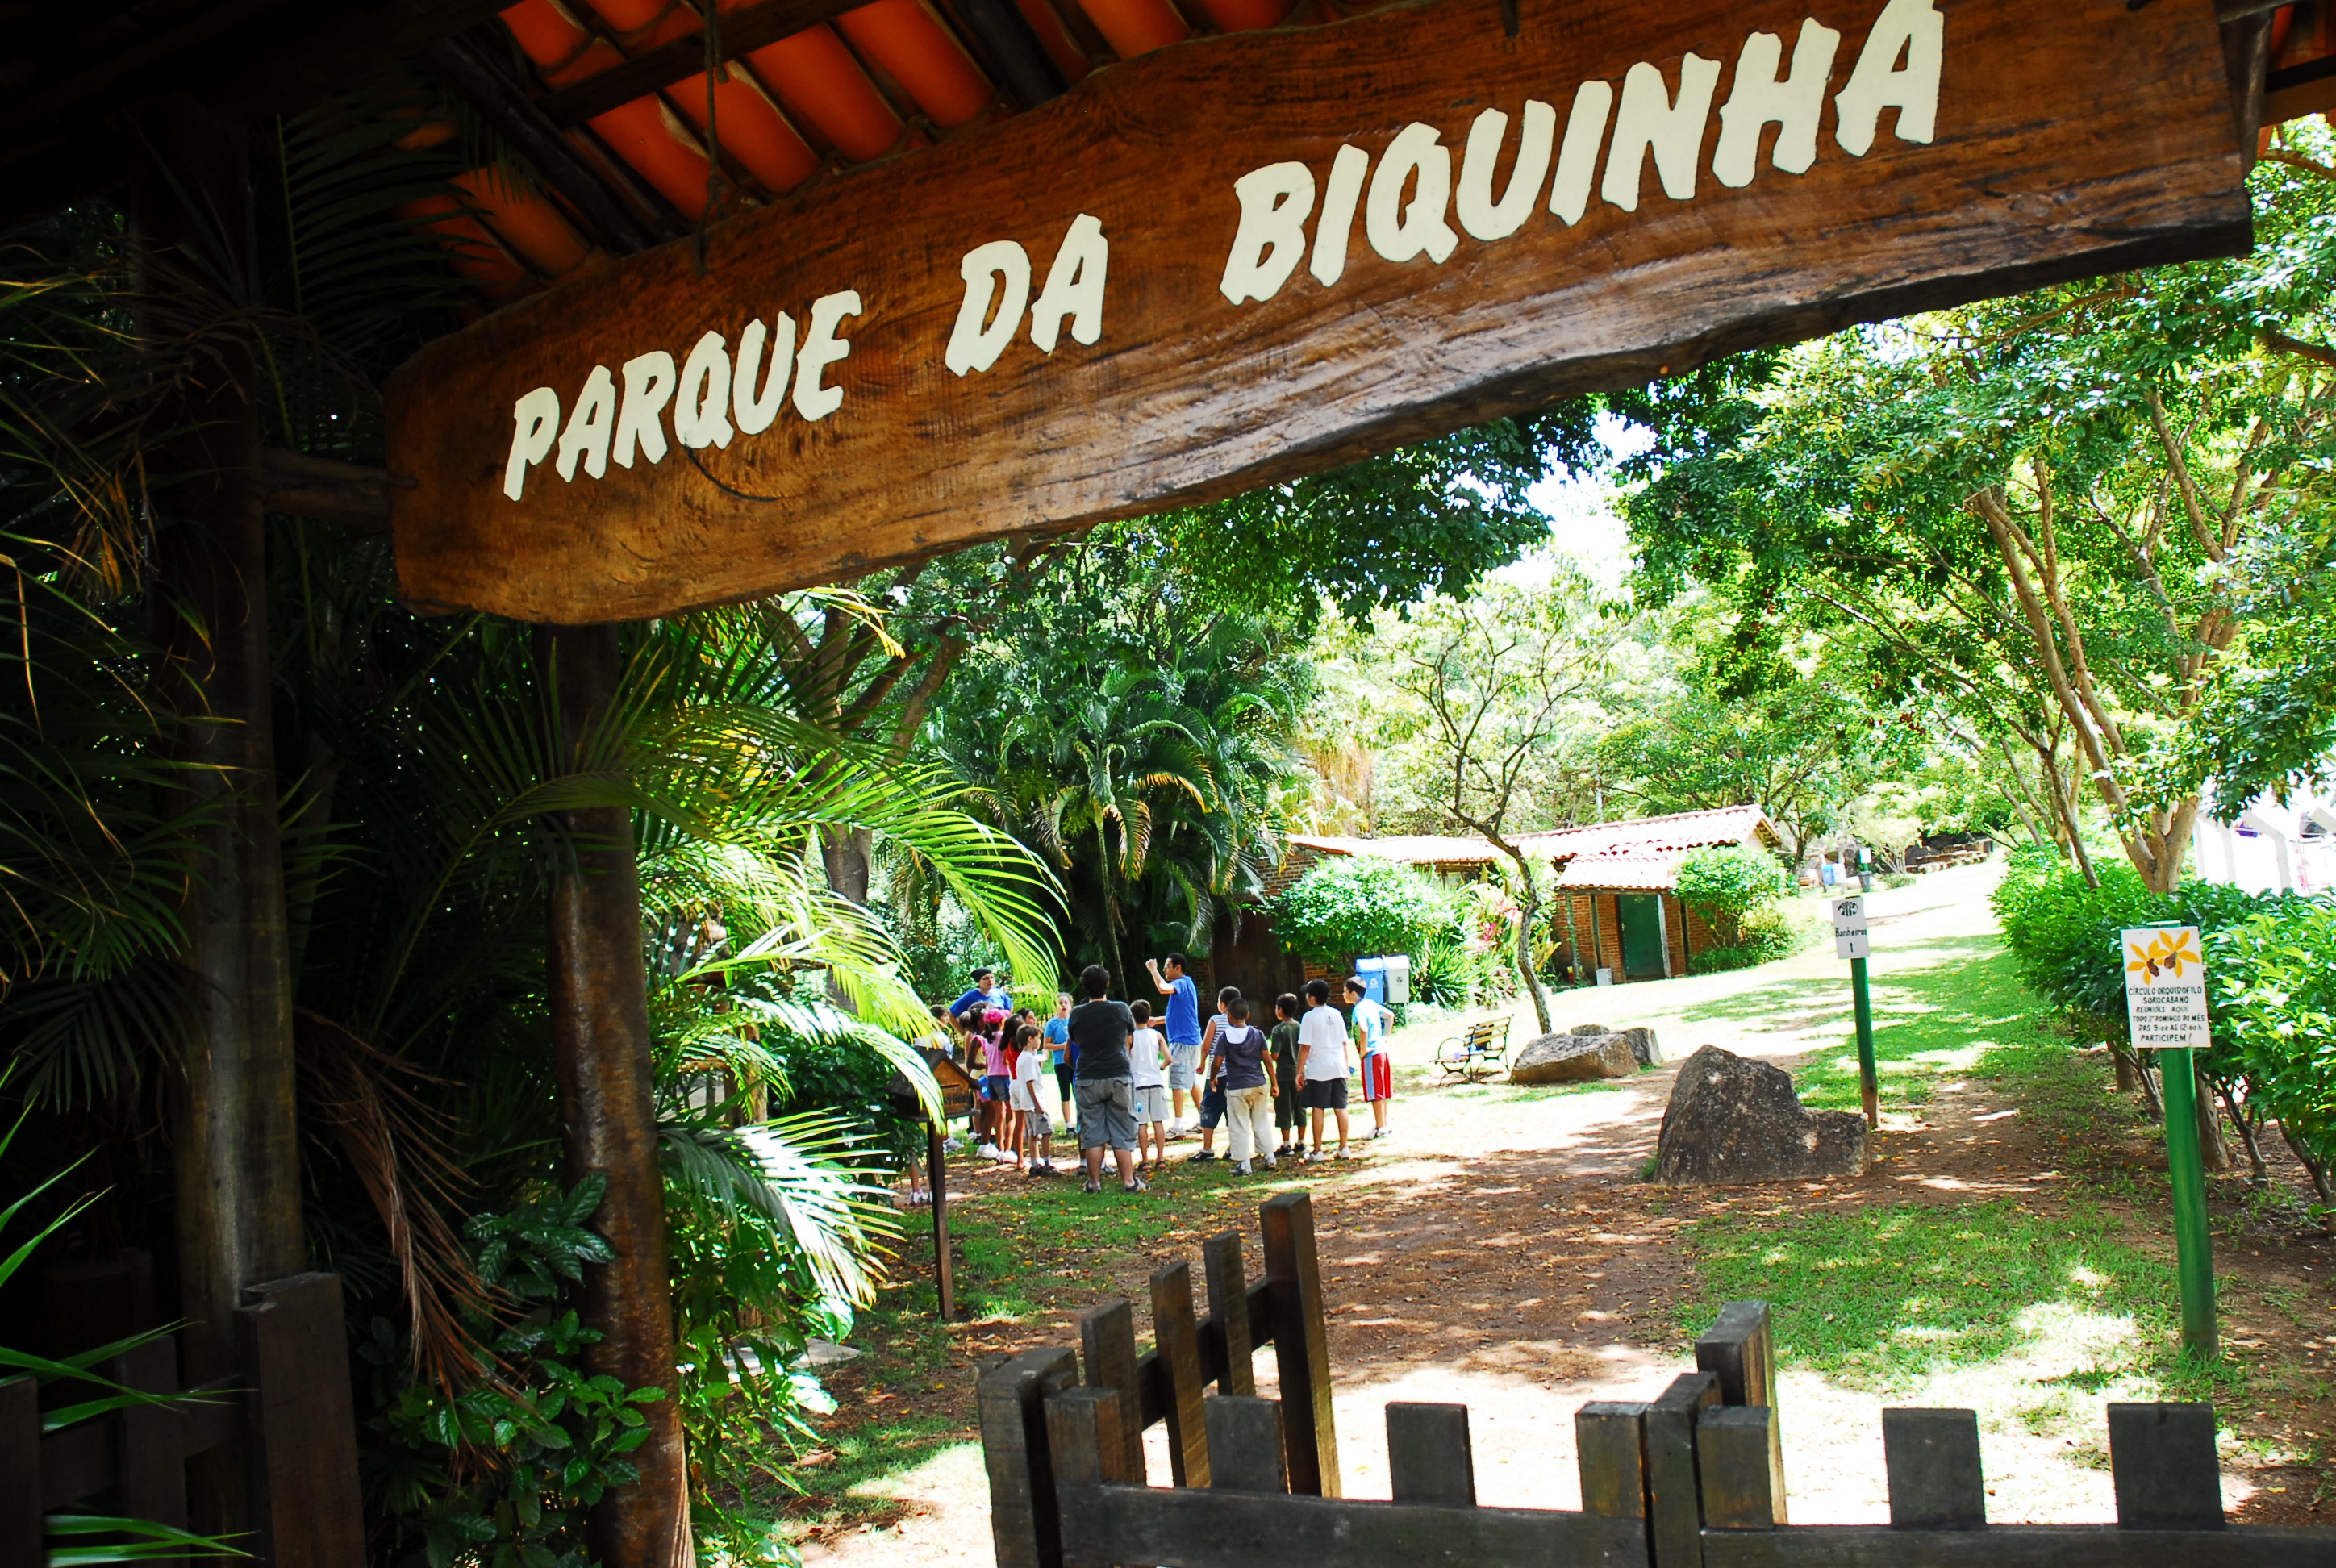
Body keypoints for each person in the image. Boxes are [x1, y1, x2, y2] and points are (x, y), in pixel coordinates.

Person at [1069, 963, 1145, 1193]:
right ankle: (1129, 1181)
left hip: (1088, 1076)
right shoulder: (1121, 1009)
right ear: (1107, 985)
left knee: (1092, 1132)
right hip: (1118, 1074)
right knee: (1122, 1128)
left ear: (1084, 987)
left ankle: (1093, 1183)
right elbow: (1130, 1036)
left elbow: (1075, 1040)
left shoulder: (1077, 1014)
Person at [1215, 998, 1277, 1174]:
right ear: (1248, 1015)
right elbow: (1267, 1061)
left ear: (1229, 1016)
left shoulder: (1225, 1037)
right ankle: (1270, 1156)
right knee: (1261, 1121)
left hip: (1237, 1087)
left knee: (1239, 1125)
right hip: (1258, 1083)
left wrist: (1212, 1078)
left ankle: (1244, 1164)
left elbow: (1217, 1062)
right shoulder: (1258, 1034)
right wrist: (1274, 1083)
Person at [1143, 952, 1203, 1136]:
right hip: (1189, 1039)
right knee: (1191, 1081)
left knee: (1177, 1082)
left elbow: (1162, 988)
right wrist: (1158, 1020)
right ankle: (1205, 1119)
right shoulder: (1186, 985)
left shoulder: (1181, 983)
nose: (1164, 970)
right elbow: (1182, 1014)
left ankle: (1178, 1126)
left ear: (1178, 967)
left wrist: (1152, 969)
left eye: (1167, 966)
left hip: (1183, 1041)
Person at [1296, 978, 1355, 1162]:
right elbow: (1344, 1042)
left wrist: (1299, 1071)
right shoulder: (1336, 1014)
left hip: (1318, 1068)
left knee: (1318, 1107)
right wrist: (1346, 1066)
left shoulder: (1309, 1017)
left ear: (1312, 998)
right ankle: (1344, 1147)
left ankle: (1318, 1150)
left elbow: (1305, 1047)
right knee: (1340, 1107)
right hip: (1338, 1065)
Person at [1187, 986, 1238, 1163]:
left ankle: (1207, 1148)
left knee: (1208, 1108)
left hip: (1217, 1073)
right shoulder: (1238, 1021)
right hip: (1235, 1075)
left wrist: (1202, 1062)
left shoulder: (1215, 1020)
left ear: (1222, 1004)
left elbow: (1206, 1045)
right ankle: (1233, 1147)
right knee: (1232, 1111)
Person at [1346, 976, 1397, 1139]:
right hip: (1382, 1052)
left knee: (1375, 1093)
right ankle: (1383, 1124)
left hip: (1372, 1055)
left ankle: (1381, 1127)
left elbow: (1363, 1029)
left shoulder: (1358, 1010)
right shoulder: (1370, 1004)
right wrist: (1385, 1037)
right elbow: (1389, 1016)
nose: (1343, 994)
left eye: (1345, 991)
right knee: (1382, 1091)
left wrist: (1364, 1049)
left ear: (1353, 993)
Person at [1010, 1023, 1062, 1177]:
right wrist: (1038, 1104)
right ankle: (1046, 1163)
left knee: (1032, 1134)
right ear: (1030, 1039)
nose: (1040, 1041)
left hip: (1026, 1102)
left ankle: (1034, 1163)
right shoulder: (1029, 1059)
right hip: (1034, 1103)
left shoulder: (1023, 1057)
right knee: (1047, 1131)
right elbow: (1030, 1083)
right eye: (1038, 1038)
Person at [1129, 1000, 1170, 1169]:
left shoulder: (1130, 1037)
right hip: (1156, 1082)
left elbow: (1126, 1058)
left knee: (1142, 1123)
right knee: (1158, 1122)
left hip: (1138, 1084)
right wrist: (1160, 1067)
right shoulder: (1156, 1035)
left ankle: (1145, 1159)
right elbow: (1169, 1058)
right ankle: (1160, 1158)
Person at [1268, 992, 1304, 1159]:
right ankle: (1301, 1142)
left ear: (1280, 1010)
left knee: (1284, 1109)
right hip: (1300, 1073)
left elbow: (1275, 1055)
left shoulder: (1278, 1030)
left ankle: (1287, 1144)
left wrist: (1268, 1058)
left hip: (1283, 1074)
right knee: (1300, 1108)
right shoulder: (1300, 1027)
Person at [1046, 992, 1075, 1128]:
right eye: (1060, 1003)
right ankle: (1068, 1124)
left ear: (1070, 1006)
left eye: (1066, 1003)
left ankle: (1081, 1120)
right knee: (1065, 1092)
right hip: (1061, 1062)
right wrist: (1063, 1046)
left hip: (1075, 1061)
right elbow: (1047, 1044)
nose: (1063, 1006)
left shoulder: (1074, 1021)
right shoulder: (1052, 1023)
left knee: (1078, 1090)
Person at [950, 967, 1011, 1031]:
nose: (990, 980)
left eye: (992, 977)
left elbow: (1009, 1008)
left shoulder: (1000, 993)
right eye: (985, 978)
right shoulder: (969, 996)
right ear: (979, 982)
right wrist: (962, 1032)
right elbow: (951, 1014)